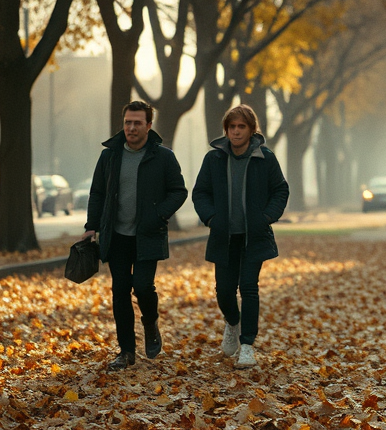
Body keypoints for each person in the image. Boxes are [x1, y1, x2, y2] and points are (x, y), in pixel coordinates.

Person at [82, 100, 188, 371]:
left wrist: (158, 214)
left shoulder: (163, 156)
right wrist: (91, 226)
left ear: (149, 126)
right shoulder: (110, 155)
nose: (131, 127)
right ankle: (126, 351)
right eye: (127, 122)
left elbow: (179, 191)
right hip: (115, 235)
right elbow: (97, 193)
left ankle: (150, 323)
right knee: (120, 291)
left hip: (148, 234)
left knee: (142, 286)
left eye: (137, 123)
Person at [192, 104, 289, 369]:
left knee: (249, 288)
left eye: (241, 127)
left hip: (253, 236)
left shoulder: (265, 158)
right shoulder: (213, 159)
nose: (236, 131)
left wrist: (266, 217)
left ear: (251, 129)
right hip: (224, 236)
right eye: (232, 127)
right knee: (224, 291)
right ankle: (232, 324)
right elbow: (200, 192)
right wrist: (211, 218)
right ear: (226, 129)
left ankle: (247, 345)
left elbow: (280, 190)